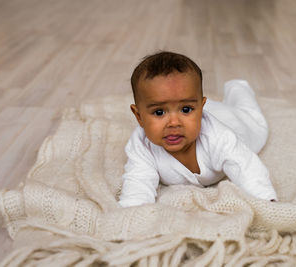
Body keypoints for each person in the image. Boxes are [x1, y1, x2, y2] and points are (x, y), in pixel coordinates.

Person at [118, 51, 277, 207]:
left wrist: (265, 199)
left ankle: (237, 87)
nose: (174, 122)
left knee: (251, 115)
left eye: (186, 109)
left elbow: (245, 167)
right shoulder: (142, 144)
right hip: (200, 116)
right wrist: (133, 211)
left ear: (201, 108)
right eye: (159, 112)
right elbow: (138, 180)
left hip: (235, 123)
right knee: (194, 109)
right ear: (139, 116)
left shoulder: (220, 137)